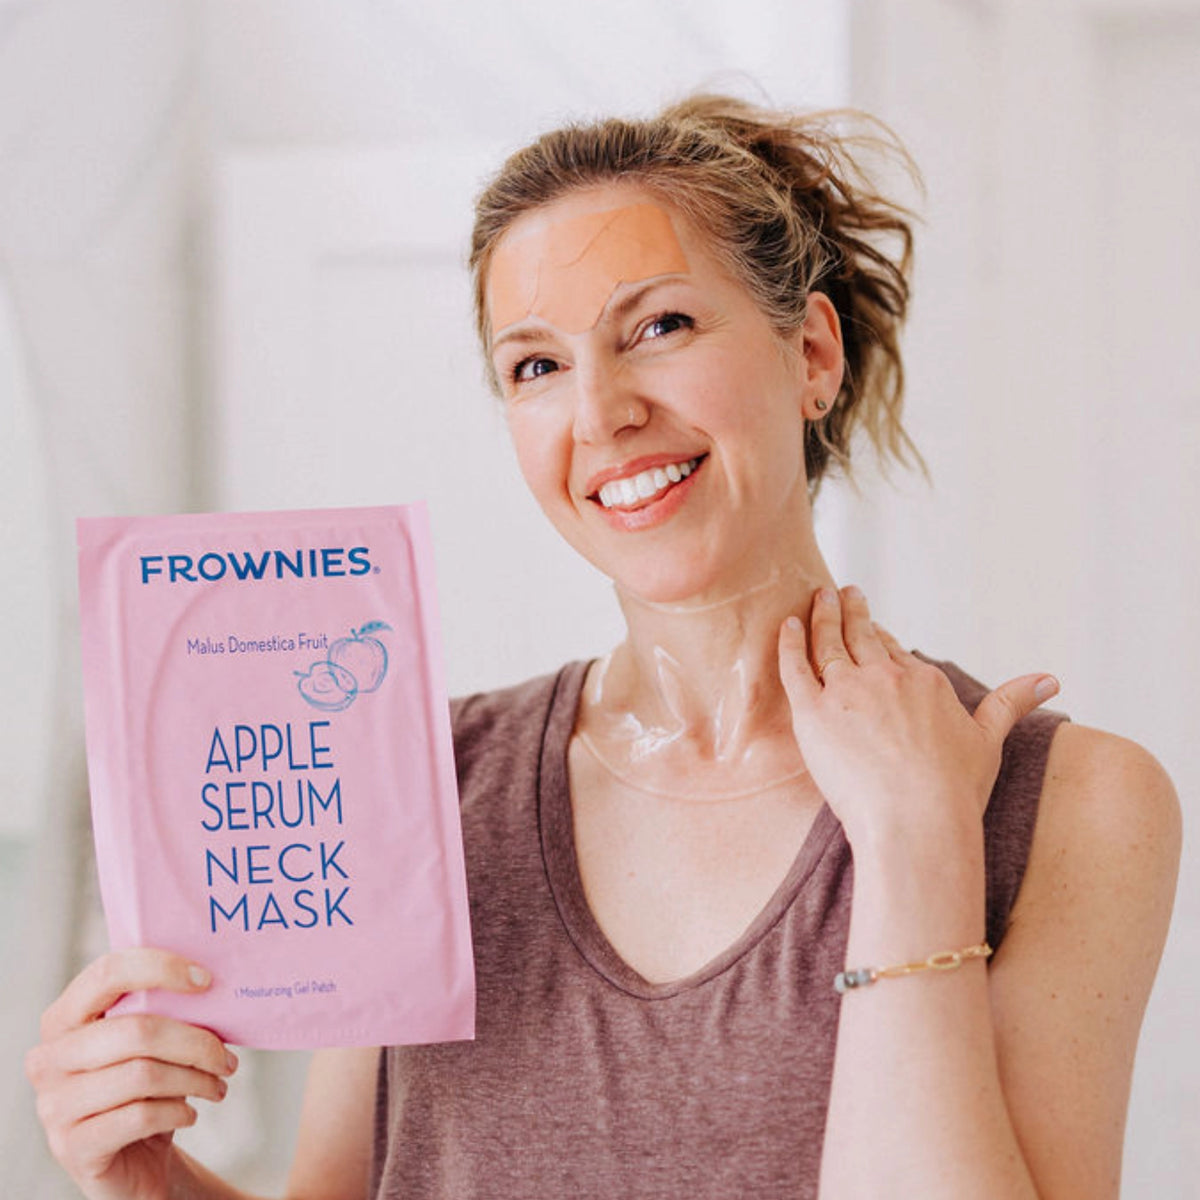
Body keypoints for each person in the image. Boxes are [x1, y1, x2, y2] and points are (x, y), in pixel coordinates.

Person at [26, 94, 1180, 1200]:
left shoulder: (1068, 803)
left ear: (812, 356)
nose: (601, 411)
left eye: (660, 326)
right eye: (536, 366)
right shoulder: (426, 781)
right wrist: (150, 1184)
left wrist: (915, 845)